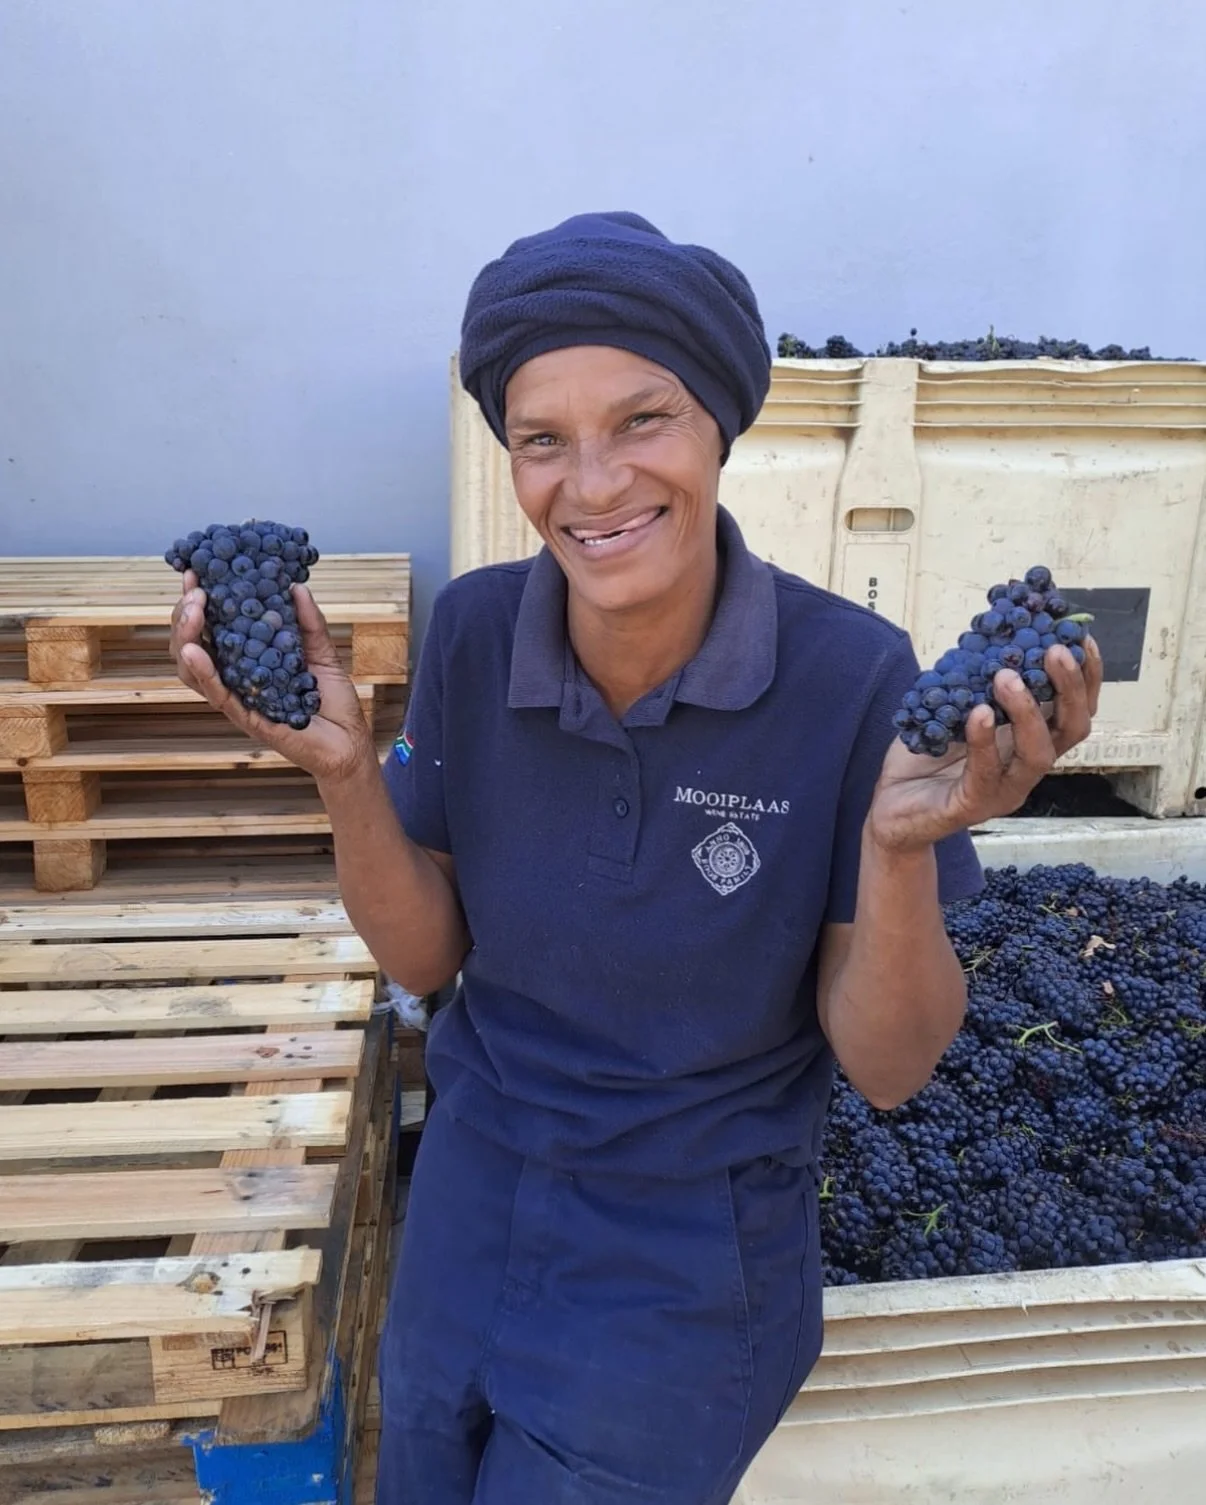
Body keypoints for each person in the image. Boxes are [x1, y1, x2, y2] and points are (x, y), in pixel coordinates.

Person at [170, 210, 1102, 1505]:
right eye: (541, 440)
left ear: (719, 425)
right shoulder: (479, 635)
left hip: (686, 1250)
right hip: (473, 1187)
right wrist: (340, 776)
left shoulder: (848, 681)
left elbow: (886, 1069)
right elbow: (428, 952)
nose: (592, 484)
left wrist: (895, 850)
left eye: (642, 420)